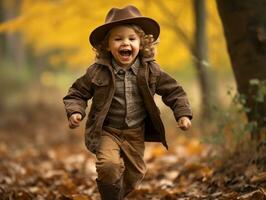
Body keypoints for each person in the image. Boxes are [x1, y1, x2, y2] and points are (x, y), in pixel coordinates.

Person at [63, 5, 192, 200]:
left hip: (135, 133)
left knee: (135, 175)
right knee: (109, 167)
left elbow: (174, 91)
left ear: (142, 43)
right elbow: (76, 93)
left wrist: (182, 114)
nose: (126, 43)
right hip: (108, 130)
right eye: (118, 39)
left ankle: (117, 195)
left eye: (132, 39)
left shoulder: (151, 70)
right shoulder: (97, 71)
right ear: (107, 45)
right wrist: (75, 112)